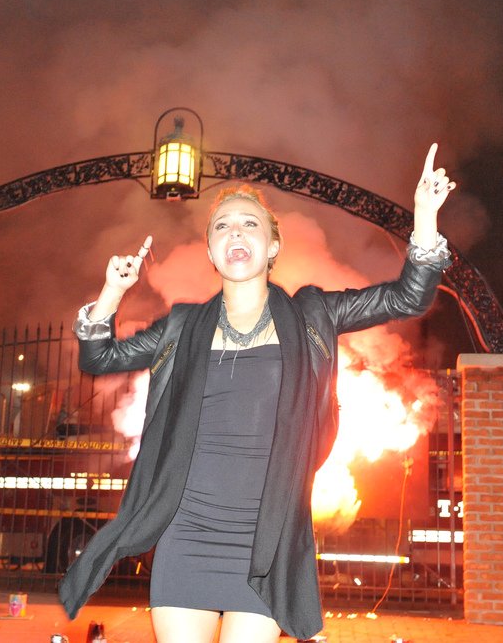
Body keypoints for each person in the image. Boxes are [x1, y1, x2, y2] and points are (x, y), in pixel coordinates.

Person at [59, 143, 455, 642]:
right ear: (211, 252)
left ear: (272, 247)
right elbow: (99, 358)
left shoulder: (312, 315)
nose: (236, 232)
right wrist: (112, 293)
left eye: (250, 224)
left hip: (265, 543)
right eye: (222, 226)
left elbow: (408, 297)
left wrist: (424, 217)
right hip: (186, 534)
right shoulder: (183, 326)